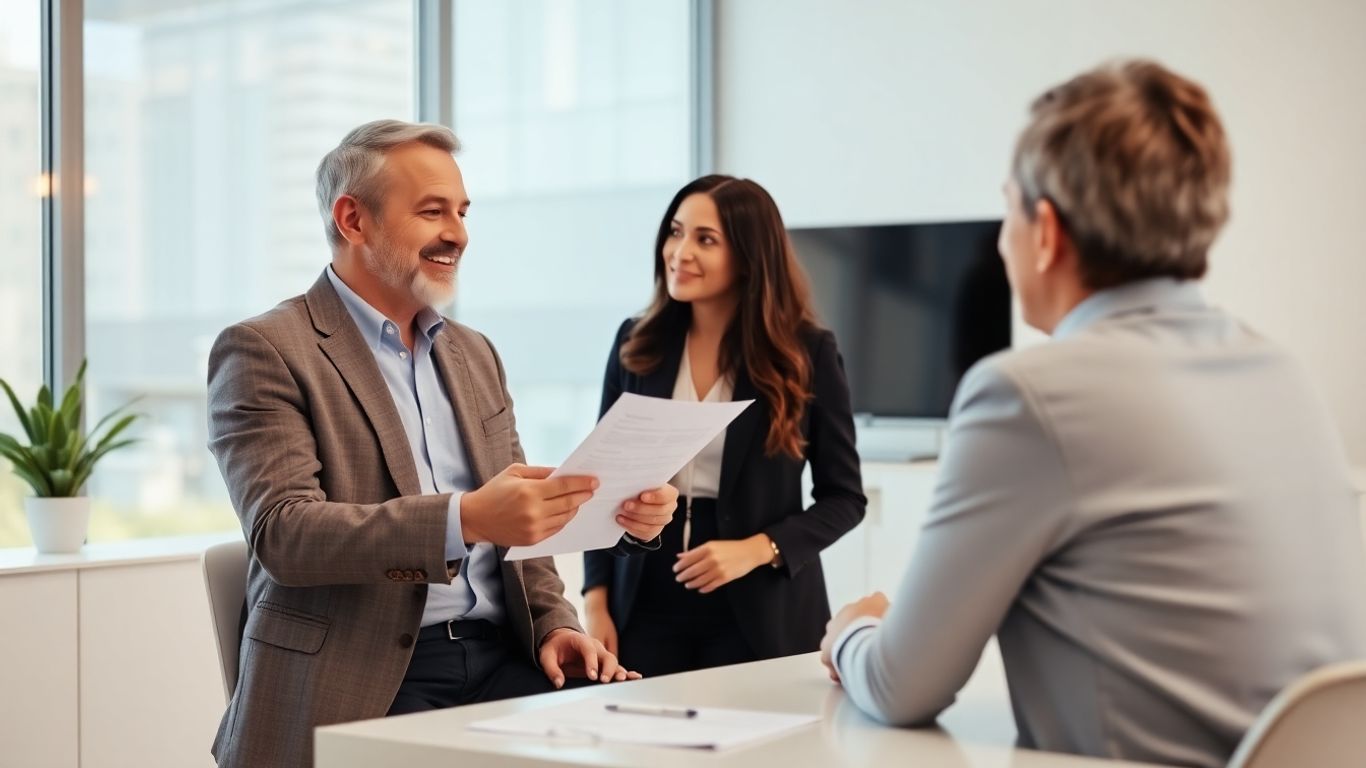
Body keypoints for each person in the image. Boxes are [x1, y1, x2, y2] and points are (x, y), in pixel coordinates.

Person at [820, 60, 1366, 768]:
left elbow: (900, 686)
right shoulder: (1281, 372)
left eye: (1007, 209)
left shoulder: (1027, 393)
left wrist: (850, 634)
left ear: (1045, 230)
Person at [206, 119, 678, 768]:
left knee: (647, 744)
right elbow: (286, 535)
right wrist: (466, 518)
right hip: (367, 674)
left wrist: (555, 623)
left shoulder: (474, 353)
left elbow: (521, 531)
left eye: (461, 211)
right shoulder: (267, 349)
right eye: (432, 211)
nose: (457, 232)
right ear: (353, 220)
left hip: (498, 658)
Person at [583, 175, 866, 676]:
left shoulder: (807, 352)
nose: (680, 251)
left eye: (705, 239)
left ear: (749, 256)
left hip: (758, 601)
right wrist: (596, 598)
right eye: (675, 232)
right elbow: (599, 479)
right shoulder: (635, 343)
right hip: (646, 594)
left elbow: (845, 498)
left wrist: (758, 550)